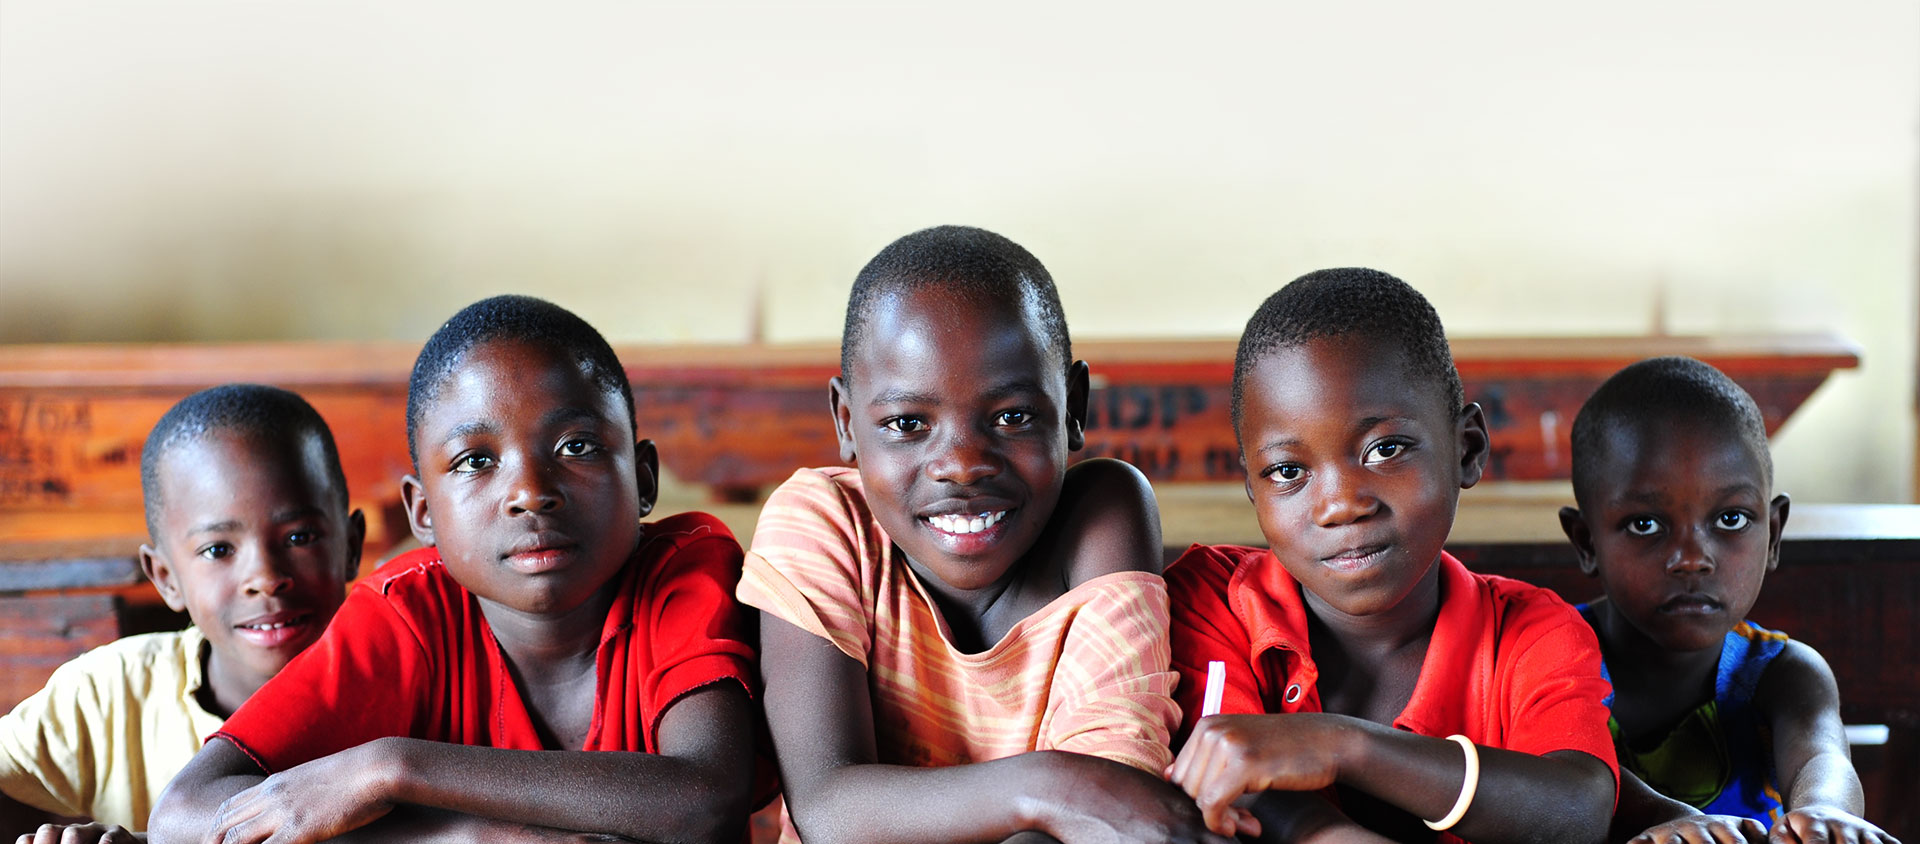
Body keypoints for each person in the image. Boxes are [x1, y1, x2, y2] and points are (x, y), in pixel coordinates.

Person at [149, 295, 763, 844]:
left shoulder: (685, 570)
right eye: (474, 461)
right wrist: (471, 836)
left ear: (645, 478)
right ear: (423, 512)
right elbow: (181, 817)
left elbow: (703, 798)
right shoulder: (405, 612)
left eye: (576, 446)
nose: (530, 492)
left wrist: (389, 769)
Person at [740, 225, 1226, 844]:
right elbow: (830, 808)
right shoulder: (823, 522)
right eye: (908, 422)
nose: (964, 463)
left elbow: (1111, 809)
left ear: (1073, 407)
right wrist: (1054, 787)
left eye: (1012, 416)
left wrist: (1077, 796)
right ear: (846, 421)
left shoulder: (1104, 516)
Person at [1166, 267, 1618, 844]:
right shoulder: (1213, 600)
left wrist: (1343, 745)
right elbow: (1225, 778)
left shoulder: (1529, 633)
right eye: (1287, 471)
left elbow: (1578, 810)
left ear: (1467, 449)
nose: (1341, 505)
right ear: (1253, 487)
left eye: (1385, 449)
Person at [1, 384, 364, 844]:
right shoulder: (109, 695)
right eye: (218, 549)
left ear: (350, 546)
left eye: (299, 537)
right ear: (166, 576)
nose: (265, 577)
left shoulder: (423, 683)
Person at [1559, 356, 1899, 844]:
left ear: (1774, 533)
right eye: (1645, 524)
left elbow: (1821, 757)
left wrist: (1825, 811)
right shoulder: (1543, 655)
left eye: (1732, 519)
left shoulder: (1782, 674)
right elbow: (1572, 775)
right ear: (1586, 542)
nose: (1692, 558)